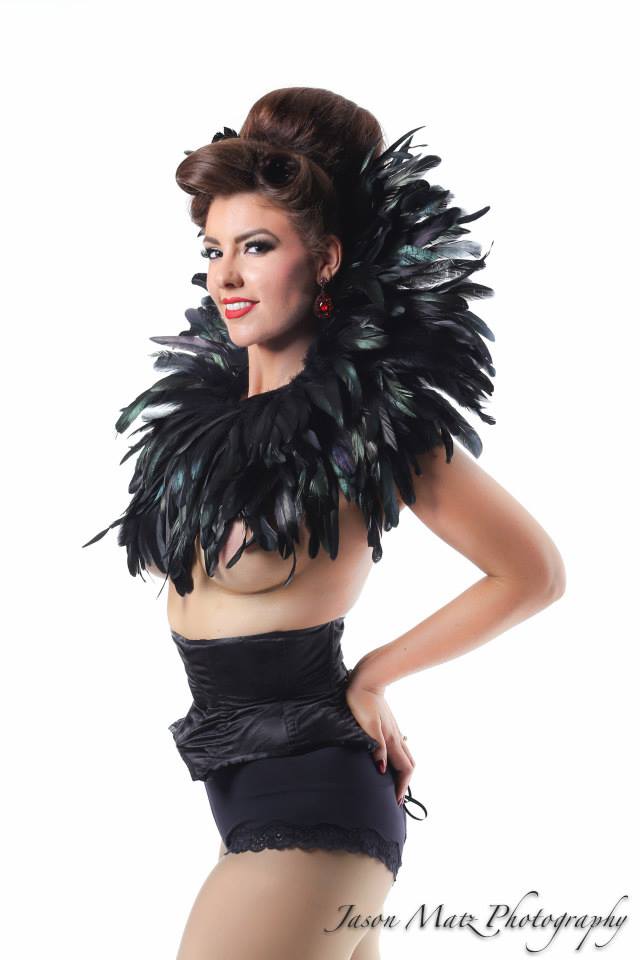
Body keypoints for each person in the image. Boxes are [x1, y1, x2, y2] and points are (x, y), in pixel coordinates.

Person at [83, 87, 566, 960]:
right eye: (214, 249)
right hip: (245, 808)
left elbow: (533, 574)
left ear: (328, 257)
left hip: (313, 807)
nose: (226, 276)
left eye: (258, 247)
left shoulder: (372, 427)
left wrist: (374, 675)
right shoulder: (207, 422)